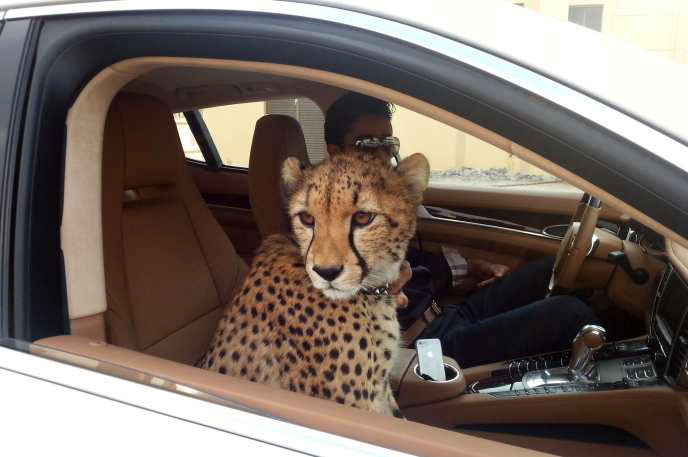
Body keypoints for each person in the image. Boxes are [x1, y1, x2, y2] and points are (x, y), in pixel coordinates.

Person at [324, 92, 600, 368]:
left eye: (387, 143)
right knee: (569, 314)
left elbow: (416, 264)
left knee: (549, 270)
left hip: (446, 313)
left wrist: (472, 268)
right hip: (423, 347)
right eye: (368, 145)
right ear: (336, 153)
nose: (383, 156)